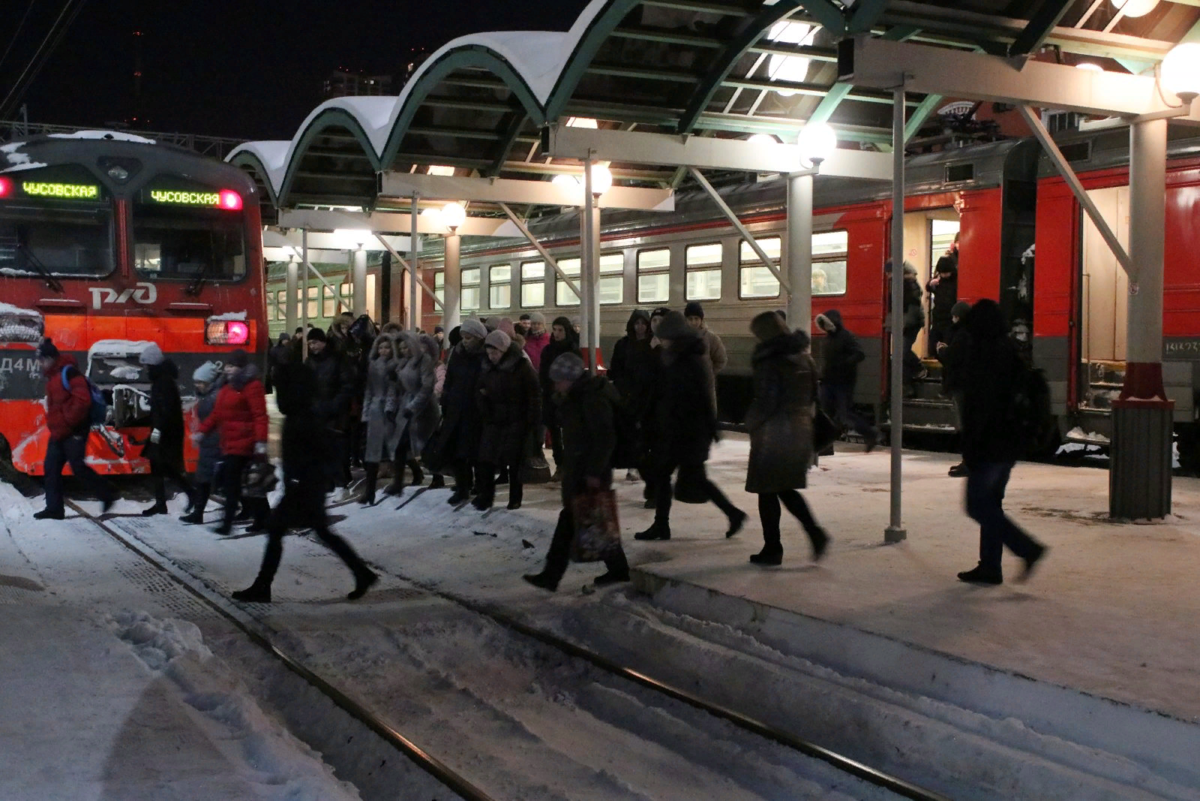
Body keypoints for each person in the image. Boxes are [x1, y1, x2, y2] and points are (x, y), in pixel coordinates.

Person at [231, 355, 377, 604]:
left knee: (279, 530)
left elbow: (311, 454)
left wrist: (297, 482)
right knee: (320, 532)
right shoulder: (304, 411)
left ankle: (262, 586)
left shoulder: (303, 416)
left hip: (304, 487)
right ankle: (361, 573)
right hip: (306, 486)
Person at [955, 299, 1047, 586]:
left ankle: (1027, 548)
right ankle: (990, 567)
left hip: (989, 446)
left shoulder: (984, 356)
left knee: (977, 505)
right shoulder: (1009, 351)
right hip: (1008, 444)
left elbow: (979, 410)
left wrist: (970, 452)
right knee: (991, 504)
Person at [635, 311, 747, 541]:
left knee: (687, 478)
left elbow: (702, 398)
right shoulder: (674, 356)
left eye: (664, 337)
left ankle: (732, 514)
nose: (662, 340)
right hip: (677, 429)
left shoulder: (690, 358)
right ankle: (662, 524)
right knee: (667, 475)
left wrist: (710, 430)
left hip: (689, 432)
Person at [524, 353, 631, 591]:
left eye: (559, 380)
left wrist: (594, 471)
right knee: (593, 519)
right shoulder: (576, 397)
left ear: (570, 378)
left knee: (582, 519)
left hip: (590, 470)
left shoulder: (591, 398)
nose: (555, 384)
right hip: (582, 468)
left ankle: (552, 575)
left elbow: (605, 437)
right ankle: (617, 570)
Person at [744, 312, 829, 566]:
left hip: (774, 432)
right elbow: (815, 395)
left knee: (767, 490)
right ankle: (812, 532)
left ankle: (774, 547)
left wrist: (752, 422)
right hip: (800, 429)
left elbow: (767, 401)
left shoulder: (770, 360)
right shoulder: (805, 357)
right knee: (784, 488)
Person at [32, 338, 115, 519]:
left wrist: (67, 421)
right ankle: (54, 509)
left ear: (51, 358)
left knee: (78, 467)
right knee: (51, 468)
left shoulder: (70, 374)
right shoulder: (52, 377)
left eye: (41, 359)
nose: (39, 363)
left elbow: (82, 400)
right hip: (59, 432)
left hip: (74, 430)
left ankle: (107, 492)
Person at [198, 349, 270, 534]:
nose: (229, 369)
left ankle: (227, 524)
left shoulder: (252, 386)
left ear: (242, 367)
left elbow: (260, 416)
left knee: (236, 485)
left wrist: (261, 441)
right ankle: (262, 517)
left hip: (246, 443)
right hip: (230, 443)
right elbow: (217, 414)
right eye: (228, 365)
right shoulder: (226, 387)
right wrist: (202, 431)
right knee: (247, 485)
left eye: (234, 366)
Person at [475, 329, 540, 510]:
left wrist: (531, 422)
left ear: (504, 350)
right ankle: (486, 497)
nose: (492, 356)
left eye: (495, 352)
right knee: (486, 459)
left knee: (514, 461)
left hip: (516, 419)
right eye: (488, 353)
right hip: (494, 418)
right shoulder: (487, 367)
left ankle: (515, 498)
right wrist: (485, 406)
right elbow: (479, 390)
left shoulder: (521, 367)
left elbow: (534, 395)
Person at [137, 343, 194, 516]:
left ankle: (188, 494)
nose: (145, 369)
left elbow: (166, 410)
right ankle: (165, 502)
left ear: (153, 365)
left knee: (163, 467)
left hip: (166, 433)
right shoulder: (163, 380)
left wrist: (157, 429)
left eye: (147, 365)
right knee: (161, 467)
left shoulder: (163, 383)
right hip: (165, 431)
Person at [438, 318, 488, 504]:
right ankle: (462, 487)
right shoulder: (457, 354)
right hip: (457, 408)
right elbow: (450, 377)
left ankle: (481, 487)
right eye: (464, 337)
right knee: (459, 452)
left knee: (477, 453)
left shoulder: (484, 355)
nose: (465, 341)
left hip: (477, 410)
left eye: (469, 337)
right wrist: (446, 396)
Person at [814, 310, 878, 451]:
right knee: (827, 413)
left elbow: (859, 354)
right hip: (829, 381)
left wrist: (843, 364)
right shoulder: (828, 339)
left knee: (844, 414)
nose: (824, 326)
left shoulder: (845, 336)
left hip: (843, 382)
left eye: (825, 323)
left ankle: (870, 433)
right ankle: (825, 445)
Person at [388, 331, 441, 495]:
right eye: (401, 348)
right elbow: (395, 388)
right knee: (400, 444)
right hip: (406, 407)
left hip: (424, 409)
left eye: (406, 347)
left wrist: (413, 407)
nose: (404, 350)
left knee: (426, 446)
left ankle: (437, 475)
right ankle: (399, 481)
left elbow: (426, 387)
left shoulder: (424, 361)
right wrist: (391, 407)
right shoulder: (402, 363)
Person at [607, 309, 657, 479]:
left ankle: (640, 465)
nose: (640, 327)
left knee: (644, 432)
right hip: (628, 394)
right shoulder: (623, 344)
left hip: (648, 394)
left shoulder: (653, 344)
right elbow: (616, 368)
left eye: (643, 323)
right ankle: (632, 466)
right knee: (630, 431)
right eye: (637, 323)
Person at [305, 327, 355, 491]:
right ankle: (327, 480)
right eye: (310, 343)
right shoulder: (310, 361)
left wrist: (335, 405)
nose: (312, 346)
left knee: (337, 446)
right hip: (317, 410)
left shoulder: (337, 359)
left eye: (315, 342)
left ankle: (340, 479)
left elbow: (346, 384)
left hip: (336, 411)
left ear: (323, 342)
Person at [359, 333, 400, 505]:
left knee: (395, 449)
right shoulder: (373, 365)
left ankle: (407, 475)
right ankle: (369, 491)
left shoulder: (395, 366)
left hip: (390, 412)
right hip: (376, 410)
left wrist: (390, 409)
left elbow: (393, 389)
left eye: (387, 347)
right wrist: (366, 412)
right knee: (373, 453)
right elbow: (369, 390)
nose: (383, 351)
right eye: (381, 347)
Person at [538, 316, 581, 480]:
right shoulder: (548, 350)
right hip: (551, 397)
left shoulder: (572, 349)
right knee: (554, 433)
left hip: (569, 398)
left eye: (560, 330)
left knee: (569, 433)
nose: (557, 334)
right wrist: (549, 389)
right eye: (554, 330)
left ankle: (570, 465)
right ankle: (560, 465)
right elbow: (543, 373)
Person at [182, 362, 221, 524]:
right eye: (196, 382)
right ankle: (198, 513)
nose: (197, 385)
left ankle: (199, 514)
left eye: (200, 382)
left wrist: (203, 434)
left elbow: (216, 419)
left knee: (210, 480)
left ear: (209, 382)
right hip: (209, 441)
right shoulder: (208, 395)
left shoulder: (215, 396)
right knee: (203, 479)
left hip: (215, 441)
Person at [938, 300, 973, 477]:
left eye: (955, 316)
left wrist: (942, 351)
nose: (952, 319)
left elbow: (953, 358)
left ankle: (969, 463)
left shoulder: (963, 334)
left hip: (962, 385)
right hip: (970, 385)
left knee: (965, 425)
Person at [684, 301, 728, 376]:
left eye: (696, 318)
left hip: (703, 384)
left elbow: (721, 360)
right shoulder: (681, 338)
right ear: (686, 320)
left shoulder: (712, 338)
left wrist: (709, 375)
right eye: (690, 319)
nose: (693, 322)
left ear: (701, 320)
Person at [926, 255, 959, 354]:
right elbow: (928, 287)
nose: (944, 275)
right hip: (937, 319)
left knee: (947, 347)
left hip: (950, 320)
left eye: (946, 273)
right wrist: (930, 284)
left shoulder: (957, 282)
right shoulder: (938, 280)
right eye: (942, 273)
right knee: (932, 347)